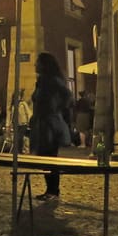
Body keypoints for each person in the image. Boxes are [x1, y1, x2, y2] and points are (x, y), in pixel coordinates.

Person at [30, 52, 73, 201]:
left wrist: (56, 108)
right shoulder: (42, 81)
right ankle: (50, 189)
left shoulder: (52, 81)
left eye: (37, 62)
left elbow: (67, 95)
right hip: (42, 124)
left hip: (49, 126)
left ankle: (53, 190)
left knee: (50, 158)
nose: (35, 65)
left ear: (44, 64)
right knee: (45, 158)